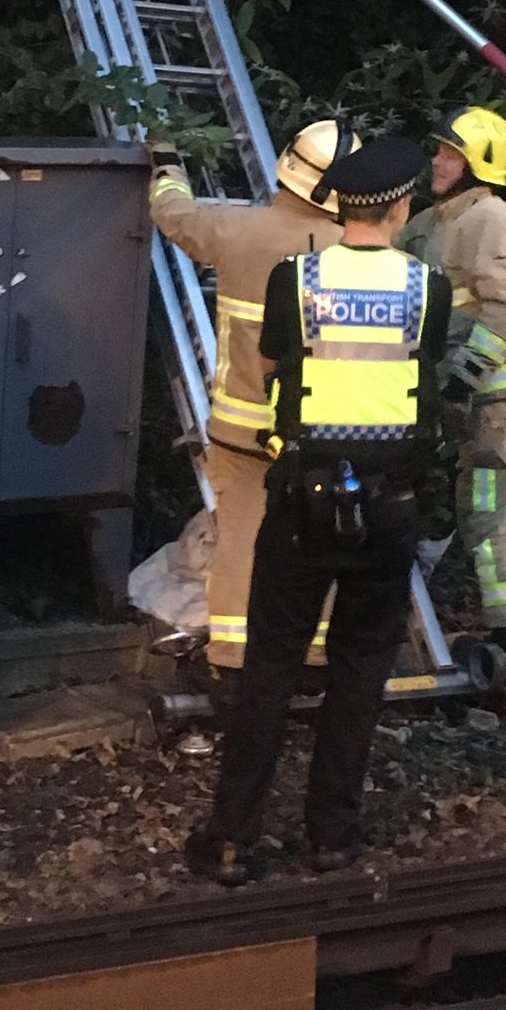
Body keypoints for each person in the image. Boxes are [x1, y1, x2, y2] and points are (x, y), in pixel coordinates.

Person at [185, 138, 452, 885]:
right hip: (390, 503)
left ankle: (231, 837)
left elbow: (272, 363)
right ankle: (330, 837)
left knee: (270, 665)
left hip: (303, 498)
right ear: (400, 208)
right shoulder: (427, 287)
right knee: (360, 670)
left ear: (336, 205)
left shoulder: (293, 279)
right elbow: (424, 372)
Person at [148, 121, 359, 681]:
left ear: (287, 165)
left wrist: (166, 165)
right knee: (322, 543)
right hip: (327, 436)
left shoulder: (237, 230)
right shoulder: (361, 256)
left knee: (242, 541)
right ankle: (314, 657)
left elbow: (175, 215)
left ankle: (234, 663)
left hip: (242, 433)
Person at [398, 106, 506, 690]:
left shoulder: (492, 218)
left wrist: (460, 379)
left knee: (487, 510)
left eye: (450, 153)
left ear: (477, 163)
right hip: (493, 393)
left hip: (496, 392)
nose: (438, 160)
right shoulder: (444, 219)